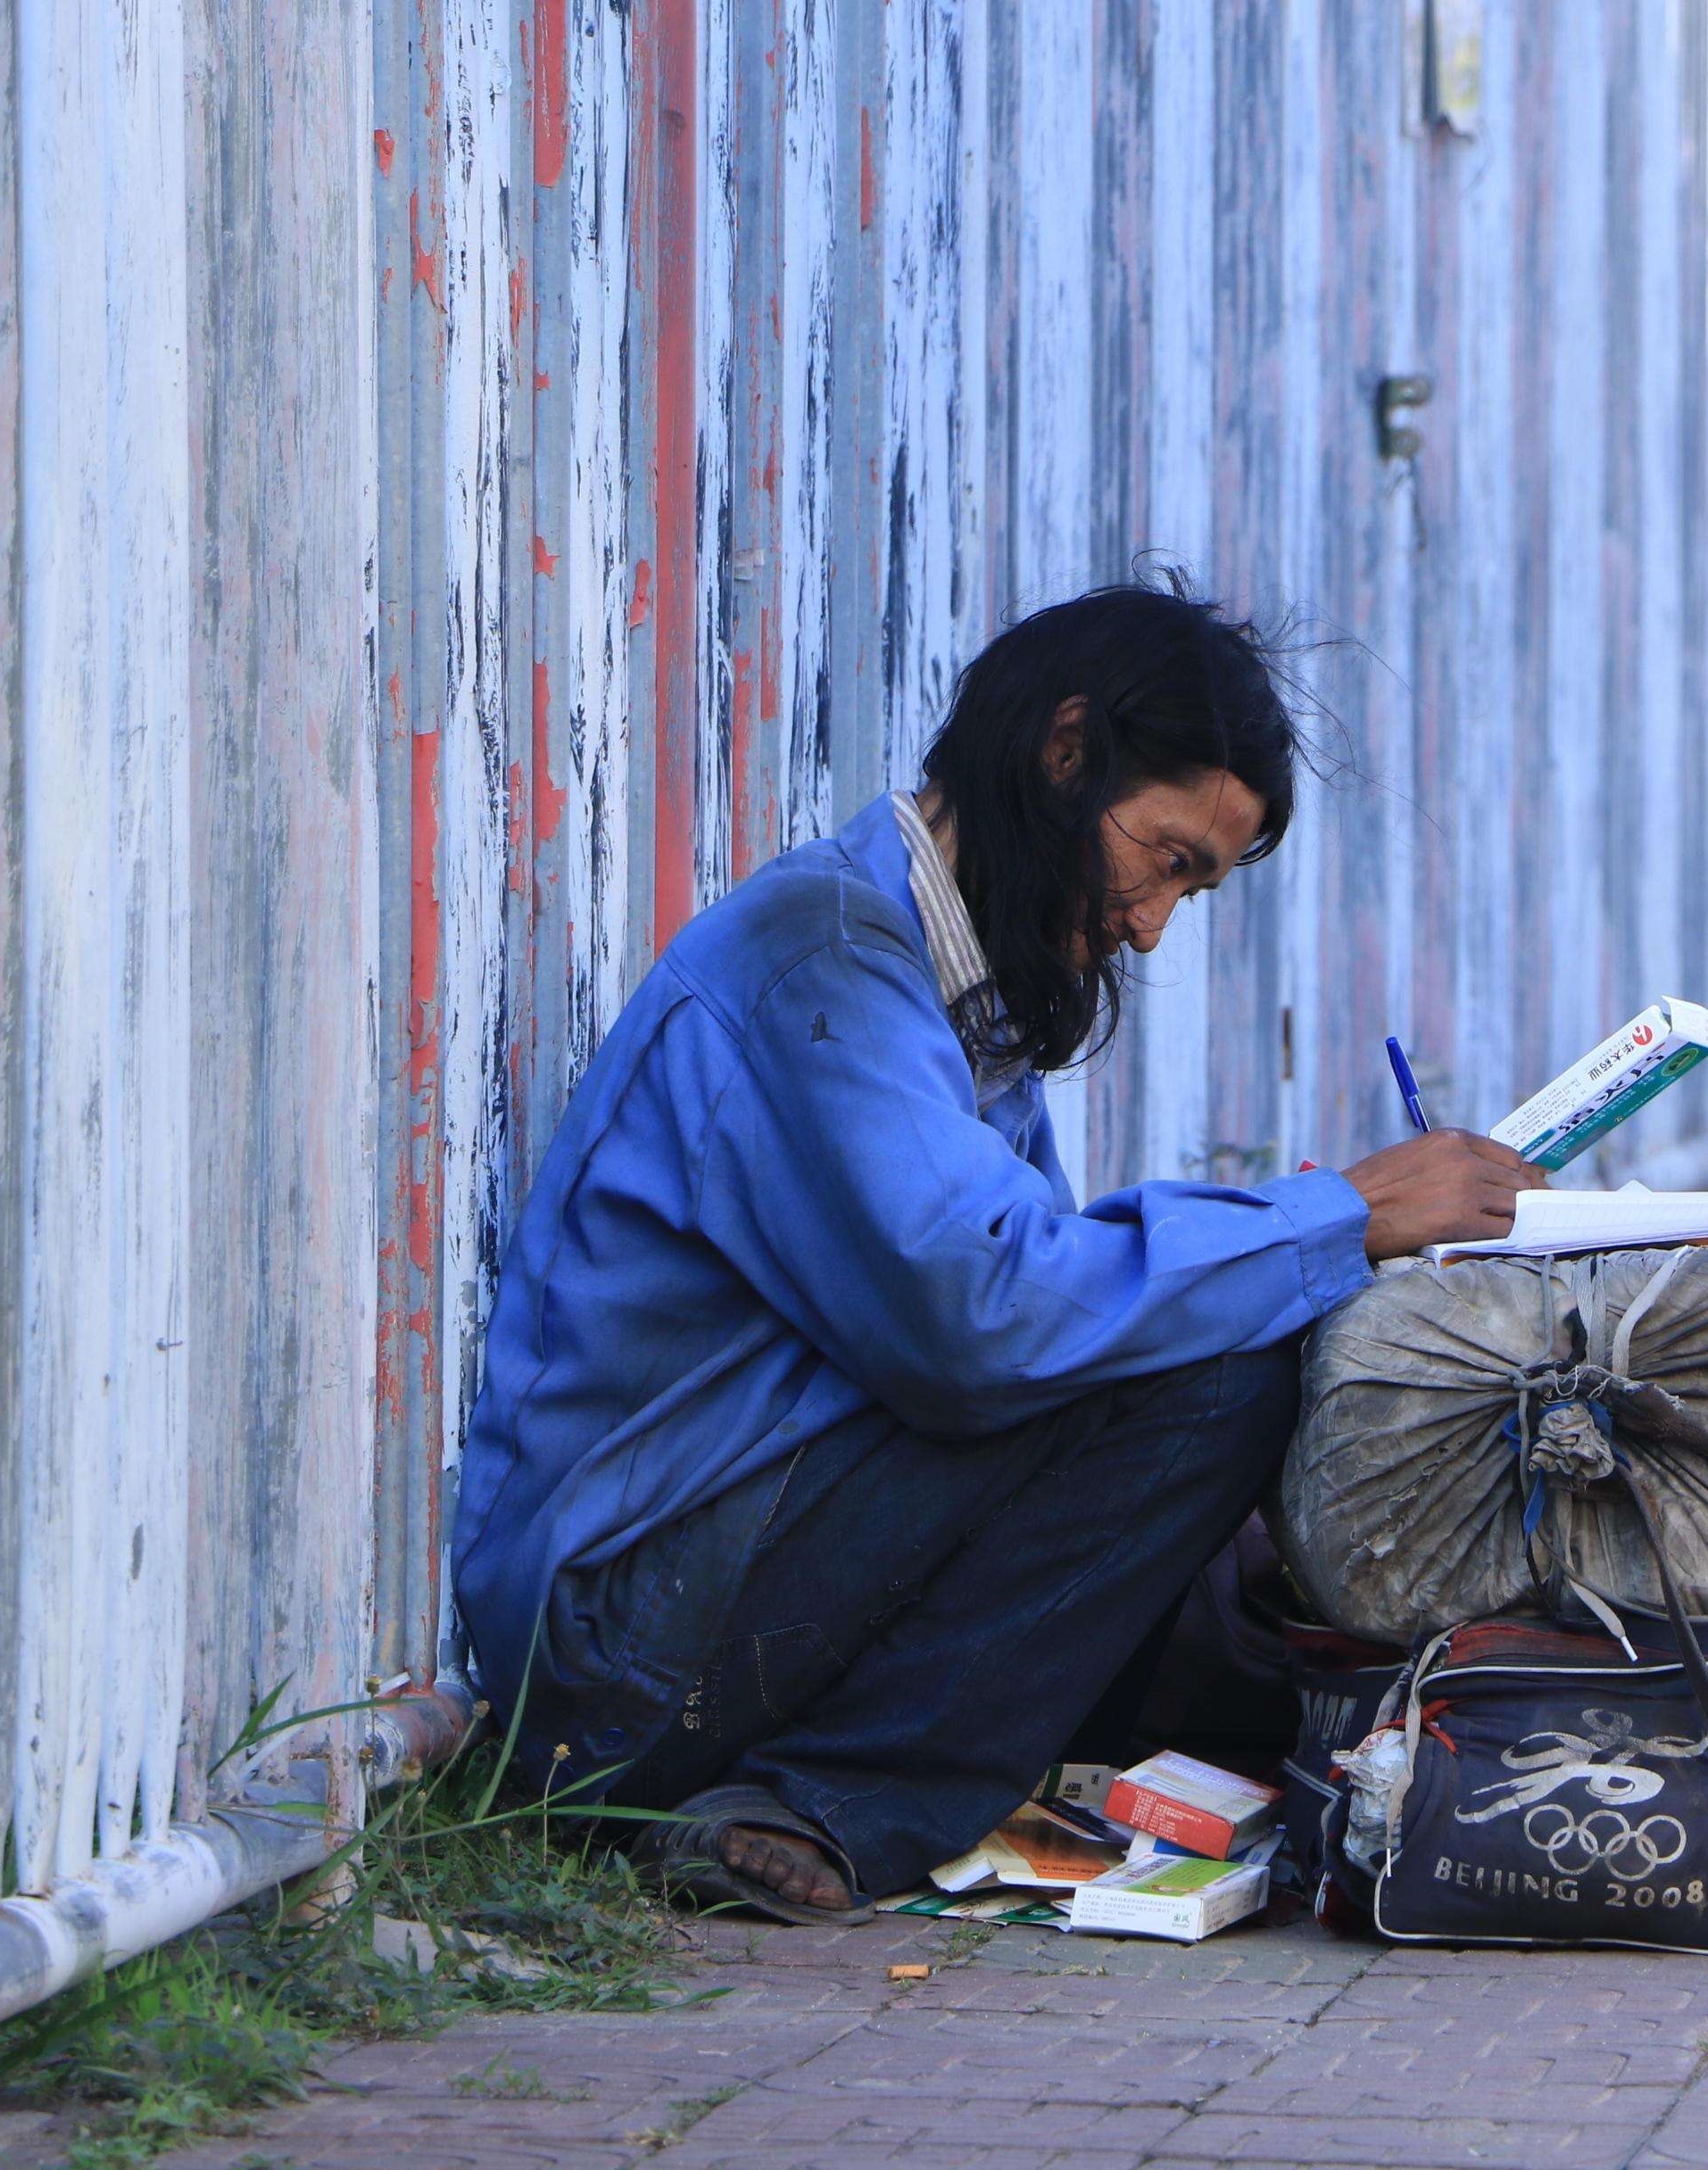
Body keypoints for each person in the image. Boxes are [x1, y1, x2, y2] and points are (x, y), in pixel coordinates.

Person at [451, 582, 1543, 1920]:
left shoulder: (955, 987)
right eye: (1166, 860)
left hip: (718, 1599)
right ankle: (832, 1799)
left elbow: (1055, 1343)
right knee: (1219, 1369)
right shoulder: (823, 964)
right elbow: (983, 1322)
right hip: (612, 1660)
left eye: (1191, 887)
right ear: (1064, 753)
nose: (1151, 925)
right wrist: (1338, 1219)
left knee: (1223, 1433)